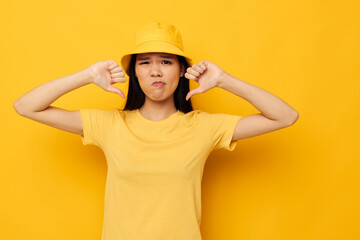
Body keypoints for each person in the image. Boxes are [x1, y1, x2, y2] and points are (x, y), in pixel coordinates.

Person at [13, 22, 299, 240]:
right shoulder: (110, 125)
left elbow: (285, 116)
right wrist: (86, 76)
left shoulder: (203, 127)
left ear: (181, 71)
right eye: (145, 62)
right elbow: (26, 106)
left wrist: (224, 80)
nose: (155, 71)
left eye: (166, 61)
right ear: (135, 73)